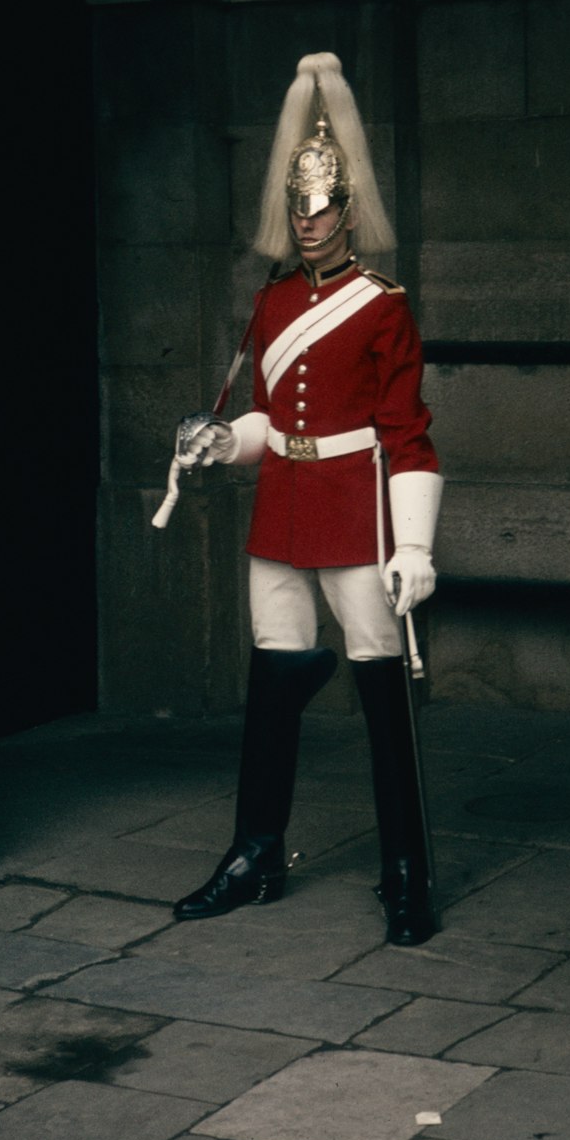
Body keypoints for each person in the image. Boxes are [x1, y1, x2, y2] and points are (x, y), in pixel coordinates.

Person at [170, 51, 442, 946]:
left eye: (324, 205)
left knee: (381, 695)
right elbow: (266, 420)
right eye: (299, 205)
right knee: (273, 683)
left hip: (355, 517)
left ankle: (405, 867)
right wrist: (221, 444)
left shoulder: (381, 304)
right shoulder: (273, 299)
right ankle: (256, 851)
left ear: (349, 208)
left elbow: (405, 430)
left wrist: (414, 545)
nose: (310, 220)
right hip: (281, 512)